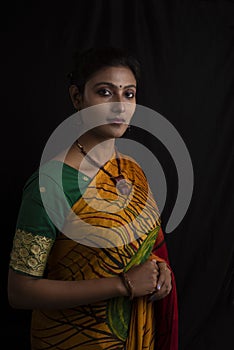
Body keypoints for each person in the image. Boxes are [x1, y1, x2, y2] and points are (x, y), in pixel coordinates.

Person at [8, 47, 178, 350]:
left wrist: (159, 270)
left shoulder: (133, 170)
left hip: (136, 336)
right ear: (77, 98)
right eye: (105, 92)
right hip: (72, 339)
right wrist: (122, 285)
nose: (120, 106)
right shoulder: (50, 185)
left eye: (128, 94)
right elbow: (20, 291)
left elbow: (147, 248)